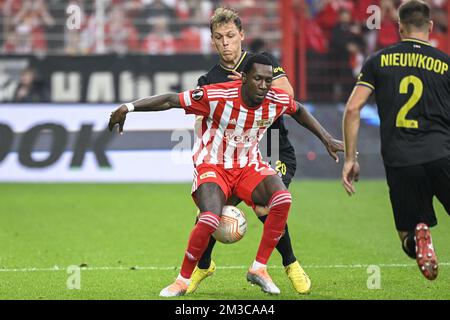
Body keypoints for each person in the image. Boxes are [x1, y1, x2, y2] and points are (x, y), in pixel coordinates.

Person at [109, 54, 343, 296]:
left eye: (267, 80)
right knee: (209, 218)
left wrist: (327, 139)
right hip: (212, 165)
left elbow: (299, 110)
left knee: (282, 199)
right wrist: (128, 107)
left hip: (247, 166)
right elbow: (170, 100)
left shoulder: (274, 99)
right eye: (257, 79)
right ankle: (182, 280)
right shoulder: (217, 96)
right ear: (243, 78)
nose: (263, 86)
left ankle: (259, 269)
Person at [189, 7, 325, 295]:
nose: (225, 42)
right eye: (219, 37)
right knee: (209, 214)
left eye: (230, 36)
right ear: (213, 42)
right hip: (230, 158)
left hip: (273, 149)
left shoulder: (261, 64)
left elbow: (287, 96)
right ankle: (203, 265)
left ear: (241, 35)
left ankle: (291, 264)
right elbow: (201, 123)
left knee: (268, 208)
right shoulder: (208, 80)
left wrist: (246, 90)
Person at [341, 0, 449, 281]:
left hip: (400, 160)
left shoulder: (378, 61)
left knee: (407, 235)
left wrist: (351, 159)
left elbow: (353, 109)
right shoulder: (446, 64)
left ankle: (418, 237)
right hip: (441, 154)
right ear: (430, 26)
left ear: (399, 27)